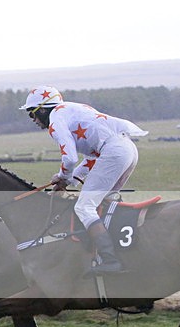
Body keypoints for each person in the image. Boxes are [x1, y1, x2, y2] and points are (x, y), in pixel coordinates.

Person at [21, 86, 148, 275]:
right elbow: (91, 158)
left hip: (115, 152)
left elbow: (70, 158)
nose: (33, 120)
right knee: (106, 200)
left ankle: (109, 259)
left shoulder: (56, 121)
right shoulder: (72, 110)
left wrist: (62, 177)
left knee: (84, 207)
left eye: (32, 114)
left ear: (42, 109)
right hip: (127, 149)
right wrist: (69, 180)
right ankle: (121, 250)